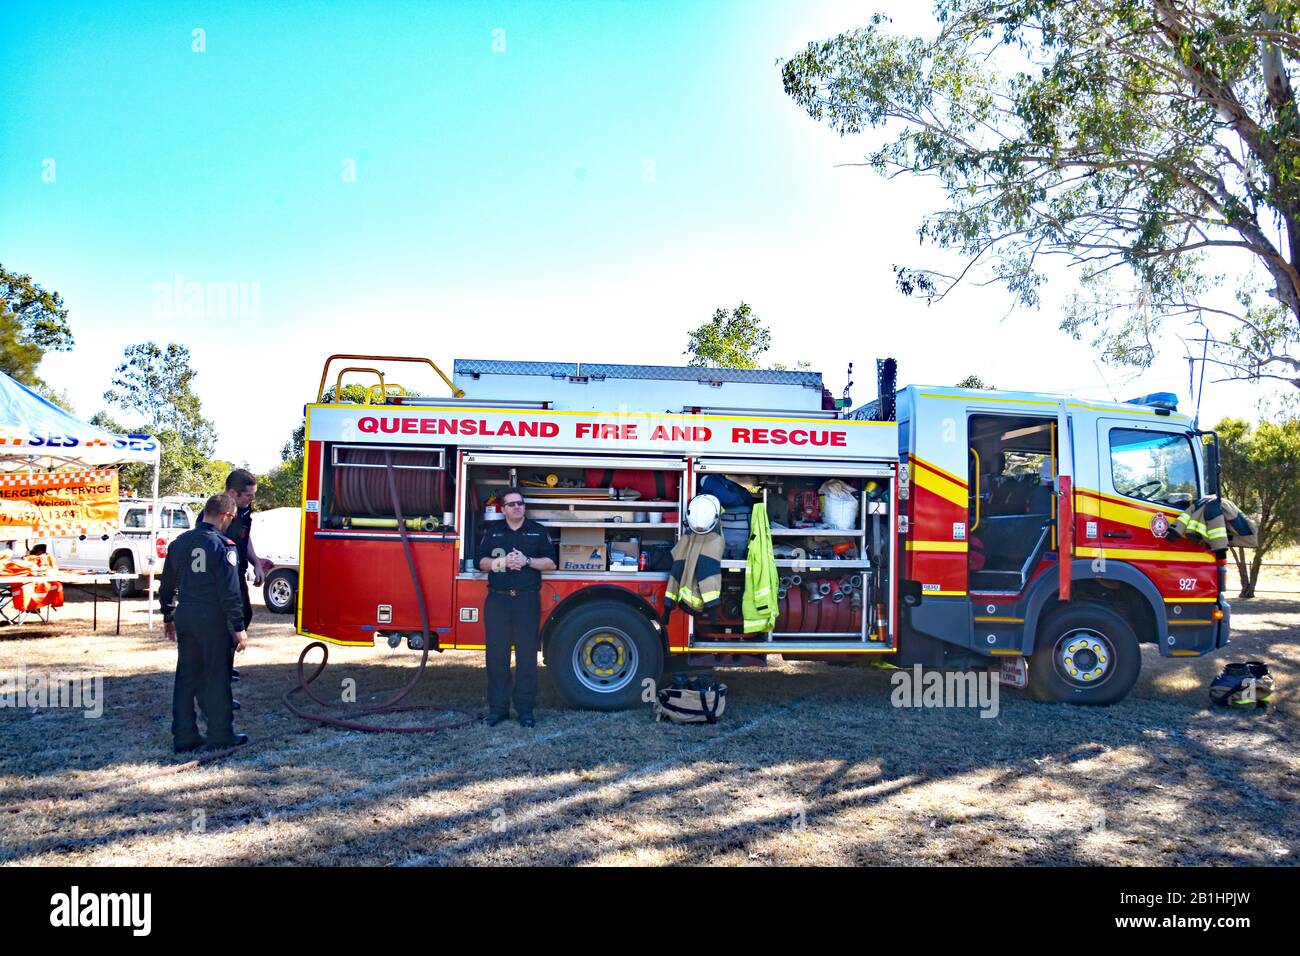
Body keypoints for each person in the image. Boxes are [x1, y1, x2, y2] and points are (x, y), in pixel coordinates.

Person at [159, 493, 250, 753]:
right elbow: (229, 591)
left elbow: (166, 584)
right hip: (212, 618)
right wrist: (238, 627)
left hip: (186, 614)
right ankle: (220, 733)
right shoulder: (223, 545)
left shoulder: (179, 543)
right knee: (216, 676)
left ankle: (184, 735)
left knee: (186, 676)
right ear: (226, 516)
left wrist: (167, 614)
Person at [476, 488, 557, 727]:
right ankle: (498, 710)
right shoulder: (492, 533)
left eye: (520, 503)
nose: (517, 507)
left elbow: (551, 562)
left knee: (526, 657)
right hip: (498, 601)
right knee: (496, 657)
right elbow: (480, 562)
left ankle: (525, 711)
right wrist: (501, 562)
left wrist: (527, 561)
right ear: (503, 509)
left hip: (526, 601)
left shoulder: (538, 532)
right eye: (511, 504)